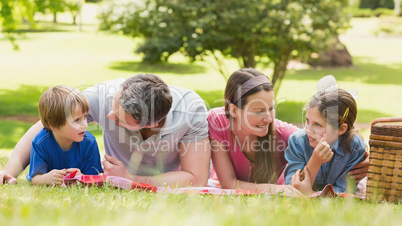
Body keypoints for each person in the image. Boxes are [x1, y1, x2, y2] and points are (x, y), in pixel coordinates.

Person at [0, 74, 211, 187]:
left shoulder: (190, 110)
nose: (109, 117)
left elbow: (196, 178)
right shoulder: (104, 95)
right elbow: (45, 126)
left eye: (118, 119)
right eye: (112, 107)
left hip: (167, 179)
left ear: (149, 124)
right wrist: (9, 172)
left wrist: (131, 178)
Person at [208, 68, 304, 196]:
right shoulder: (218, 121)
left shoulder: (283, 133)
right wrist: (272, 189)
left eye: (271, 108)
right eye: (259, 111)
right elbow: (229, 184)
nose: (269, 119)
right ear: (234, 111)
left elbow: (314, 142)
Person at [284, 88, 366, 195]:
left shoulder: (354, 147)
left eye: (318, 124)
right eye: (307, 121)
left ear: (341, 129)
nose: (308, 129)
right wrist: (315, 160)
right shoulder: (297, 142)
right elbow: (292, 187)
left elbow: (344, 192)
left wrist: (312, 194)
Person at [27, 85, 102, 185]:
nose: (85, 125)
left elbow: (96, 178)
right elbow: (35, 178)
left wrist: (82, 177)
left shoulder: (90, 143)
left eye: (85, 117)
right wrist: (46, 179)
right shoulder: (40, 142)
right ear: (54, 125)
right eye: (76, 120)